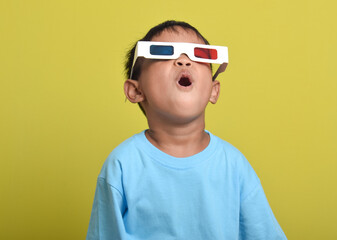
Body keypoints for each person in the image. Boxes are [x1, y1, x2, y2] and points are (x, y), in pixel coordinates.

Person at [86, 20, 287, 240]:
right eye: (163, 53)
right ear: (135, 90)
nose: (184, 61)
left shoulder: (234, 166)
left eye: (199, 55)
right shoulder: (122, 165)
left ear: (213, 90)